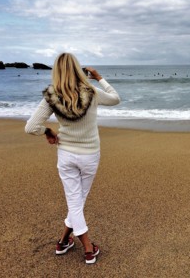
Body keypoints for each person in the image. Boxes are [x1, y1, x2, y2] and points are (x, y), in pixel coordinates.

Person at [25, 53, 120, 264]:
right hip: (90, 155)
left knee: (76, 202)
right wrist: (99, 77)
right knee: (77, 202)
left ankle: (63, 242)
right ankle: (88, 248)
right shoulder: (92, 91)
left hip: (66, 155)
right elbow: (115, 98)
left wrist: (48, 131)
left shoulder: (52, 96)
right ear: (79, 69)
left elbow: (31, 127)